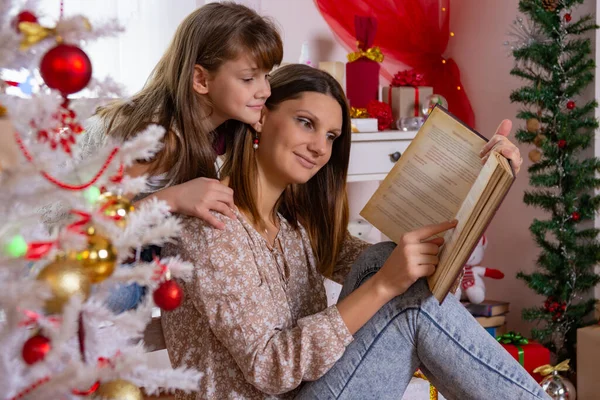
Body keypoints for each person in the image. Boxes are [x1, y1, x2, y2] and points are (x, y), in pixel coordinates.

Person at [161, 64, 544, 400]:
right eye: (306, 123)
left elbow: (389, 266)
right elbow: (270, 368)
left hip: (314, 389)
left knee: (384, 260)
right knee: (397, 289)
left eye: (331, 137)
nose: (319, 148)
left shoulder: (293, 224)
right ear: (260, 116)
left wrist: (486, 182)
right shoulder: (214, 224)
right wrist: (384, 286)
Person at [80, 2, 283, 312]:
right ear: (200, 80)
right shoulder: (160, 140)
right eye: (248, 79)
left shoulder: (222, 126)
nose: (265, 91)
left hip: (142, 244)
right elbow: (97, 230)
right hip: (86, 243)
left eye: (266, 76)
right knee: (118, 292)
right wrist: (172, 198)